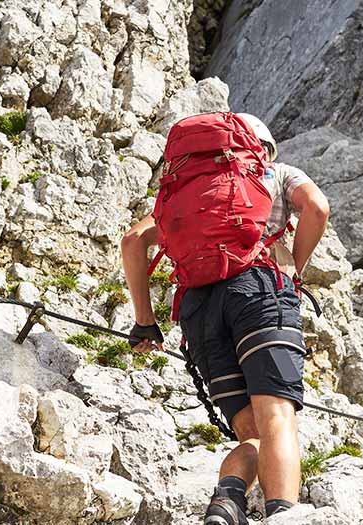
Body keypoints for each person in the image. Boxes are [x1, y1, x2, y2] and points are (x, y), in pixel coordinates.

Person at [119, 113, 330, 524]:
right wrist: (294, 270)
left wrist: (145, 321)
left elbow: (133, 241)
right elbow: (318, 209)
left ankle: (227, 502)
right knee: (276, 419)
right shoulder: (277, 173)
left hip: (199, 308)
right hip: (260, 291)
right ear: (262, 149)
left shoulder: (187, 190)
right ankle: (282, 516)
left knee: (251, 432)